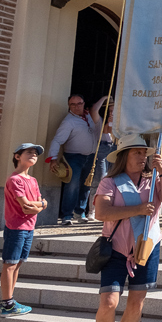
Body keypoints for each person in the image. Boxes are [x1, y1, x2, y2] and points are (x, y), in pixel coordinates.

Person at [80, 134, 162, 322]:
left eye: (144, 153)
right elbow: (101, 212)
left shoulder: (153, 179)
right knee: (109, 301)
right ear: (124, 156)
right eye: (137, 152)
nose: (142, 157)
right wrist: (138, 209)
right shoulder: (110, 182)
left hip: (146, 248)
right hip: (116, 250)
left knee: (136, 302)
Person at [0, 143, 46, 317]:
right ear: (17, 156)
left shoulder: (33, 180)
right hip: (16, 227)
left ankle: (10, 300)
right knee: (10, 264)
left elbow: (38, 202)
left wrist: (39, 205)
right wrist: (41, 205)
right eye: (29, 152)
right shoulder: (14, 180)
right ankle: (7, 304)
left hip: (29, 227)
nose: (33, 155)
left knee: (18, 264)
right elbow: (26, 206)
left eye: (35, 153)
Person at [47, 93, 107, 225]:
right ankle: (67, 215)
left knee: (86, 185)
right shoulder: (68, 121)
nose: (76, 107)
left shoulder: (88, 116)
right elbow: (57, 140)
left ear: (84, 104)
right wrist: (53, 158)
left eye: (79, 103)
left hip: (90, 157)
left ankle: (79, 213)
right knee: (72, 186)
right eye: (73, 104)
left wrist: (105, 98)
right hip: (74, 157)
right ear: (69, 106)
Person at [88, 102, 115, 218]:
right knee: (99, 179)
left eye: (114, 110)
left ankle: (109, 207)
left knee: (114, 179)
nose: (111, 113)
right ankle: (92, 210)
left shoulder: (121, 123)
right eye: (110, 111)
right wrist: (105, 98)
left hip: (115, 148)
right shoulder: (100, 122)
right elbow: (106, 131)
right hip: (103, 149)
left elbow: (115, 136)